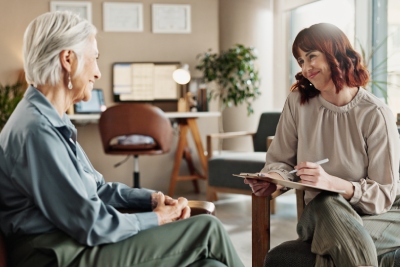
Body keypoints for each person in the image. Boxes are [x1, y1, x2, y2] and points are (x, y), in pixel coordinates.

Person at [0, 11, 244, 267]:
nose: (97, 73)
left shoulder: (50, 119)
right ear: (68, 60)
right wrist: (158, 217)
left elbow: (96, 189)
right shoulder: (37, 130)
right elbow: (92, 224)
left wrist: (150, 200)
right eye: (94, 59)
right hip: (56, 254)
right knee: (206, 229)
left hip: (70, 242)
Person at [245, 23, 400, 267]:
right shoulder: (298, 103)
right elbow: (280, 160)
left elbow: (383, 195)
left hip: (381, 213)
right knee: (327, 202)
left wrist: (331, 183)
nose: (306, 68)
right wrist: (271, 177)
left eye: (311, 56)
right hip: (321, 213)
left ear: (335, 53)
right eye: (300, 61)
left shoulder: (375, 113)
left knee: (328, 248)